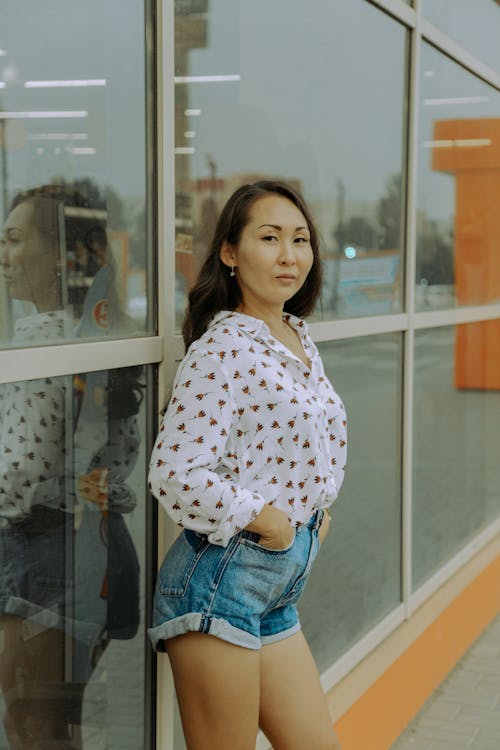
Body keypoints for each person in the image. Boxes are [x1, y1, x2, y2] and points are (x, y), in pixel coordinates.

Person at [148, 180, 347, 750]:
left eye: (300, 239)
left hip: (278, 583)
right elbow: (174, 471)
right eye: (269, 238)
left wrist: (317, 513)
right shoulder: (223, 348)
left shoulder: (295, 337)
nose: (290, 255)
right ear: (231, 254)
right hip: (222, 581)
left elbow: (312, 443)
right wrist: (269, 518)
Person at [0, 184, 141, 748]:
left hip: (42, 558)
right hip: (99, 549)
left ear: (60, 255)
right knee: (58, 727)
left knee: (33, 730)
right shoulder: (104, 335)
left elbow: (17, 472)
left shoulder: (40, 340)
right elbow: (123, 454)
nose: (3, 255)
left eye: (14, 240)